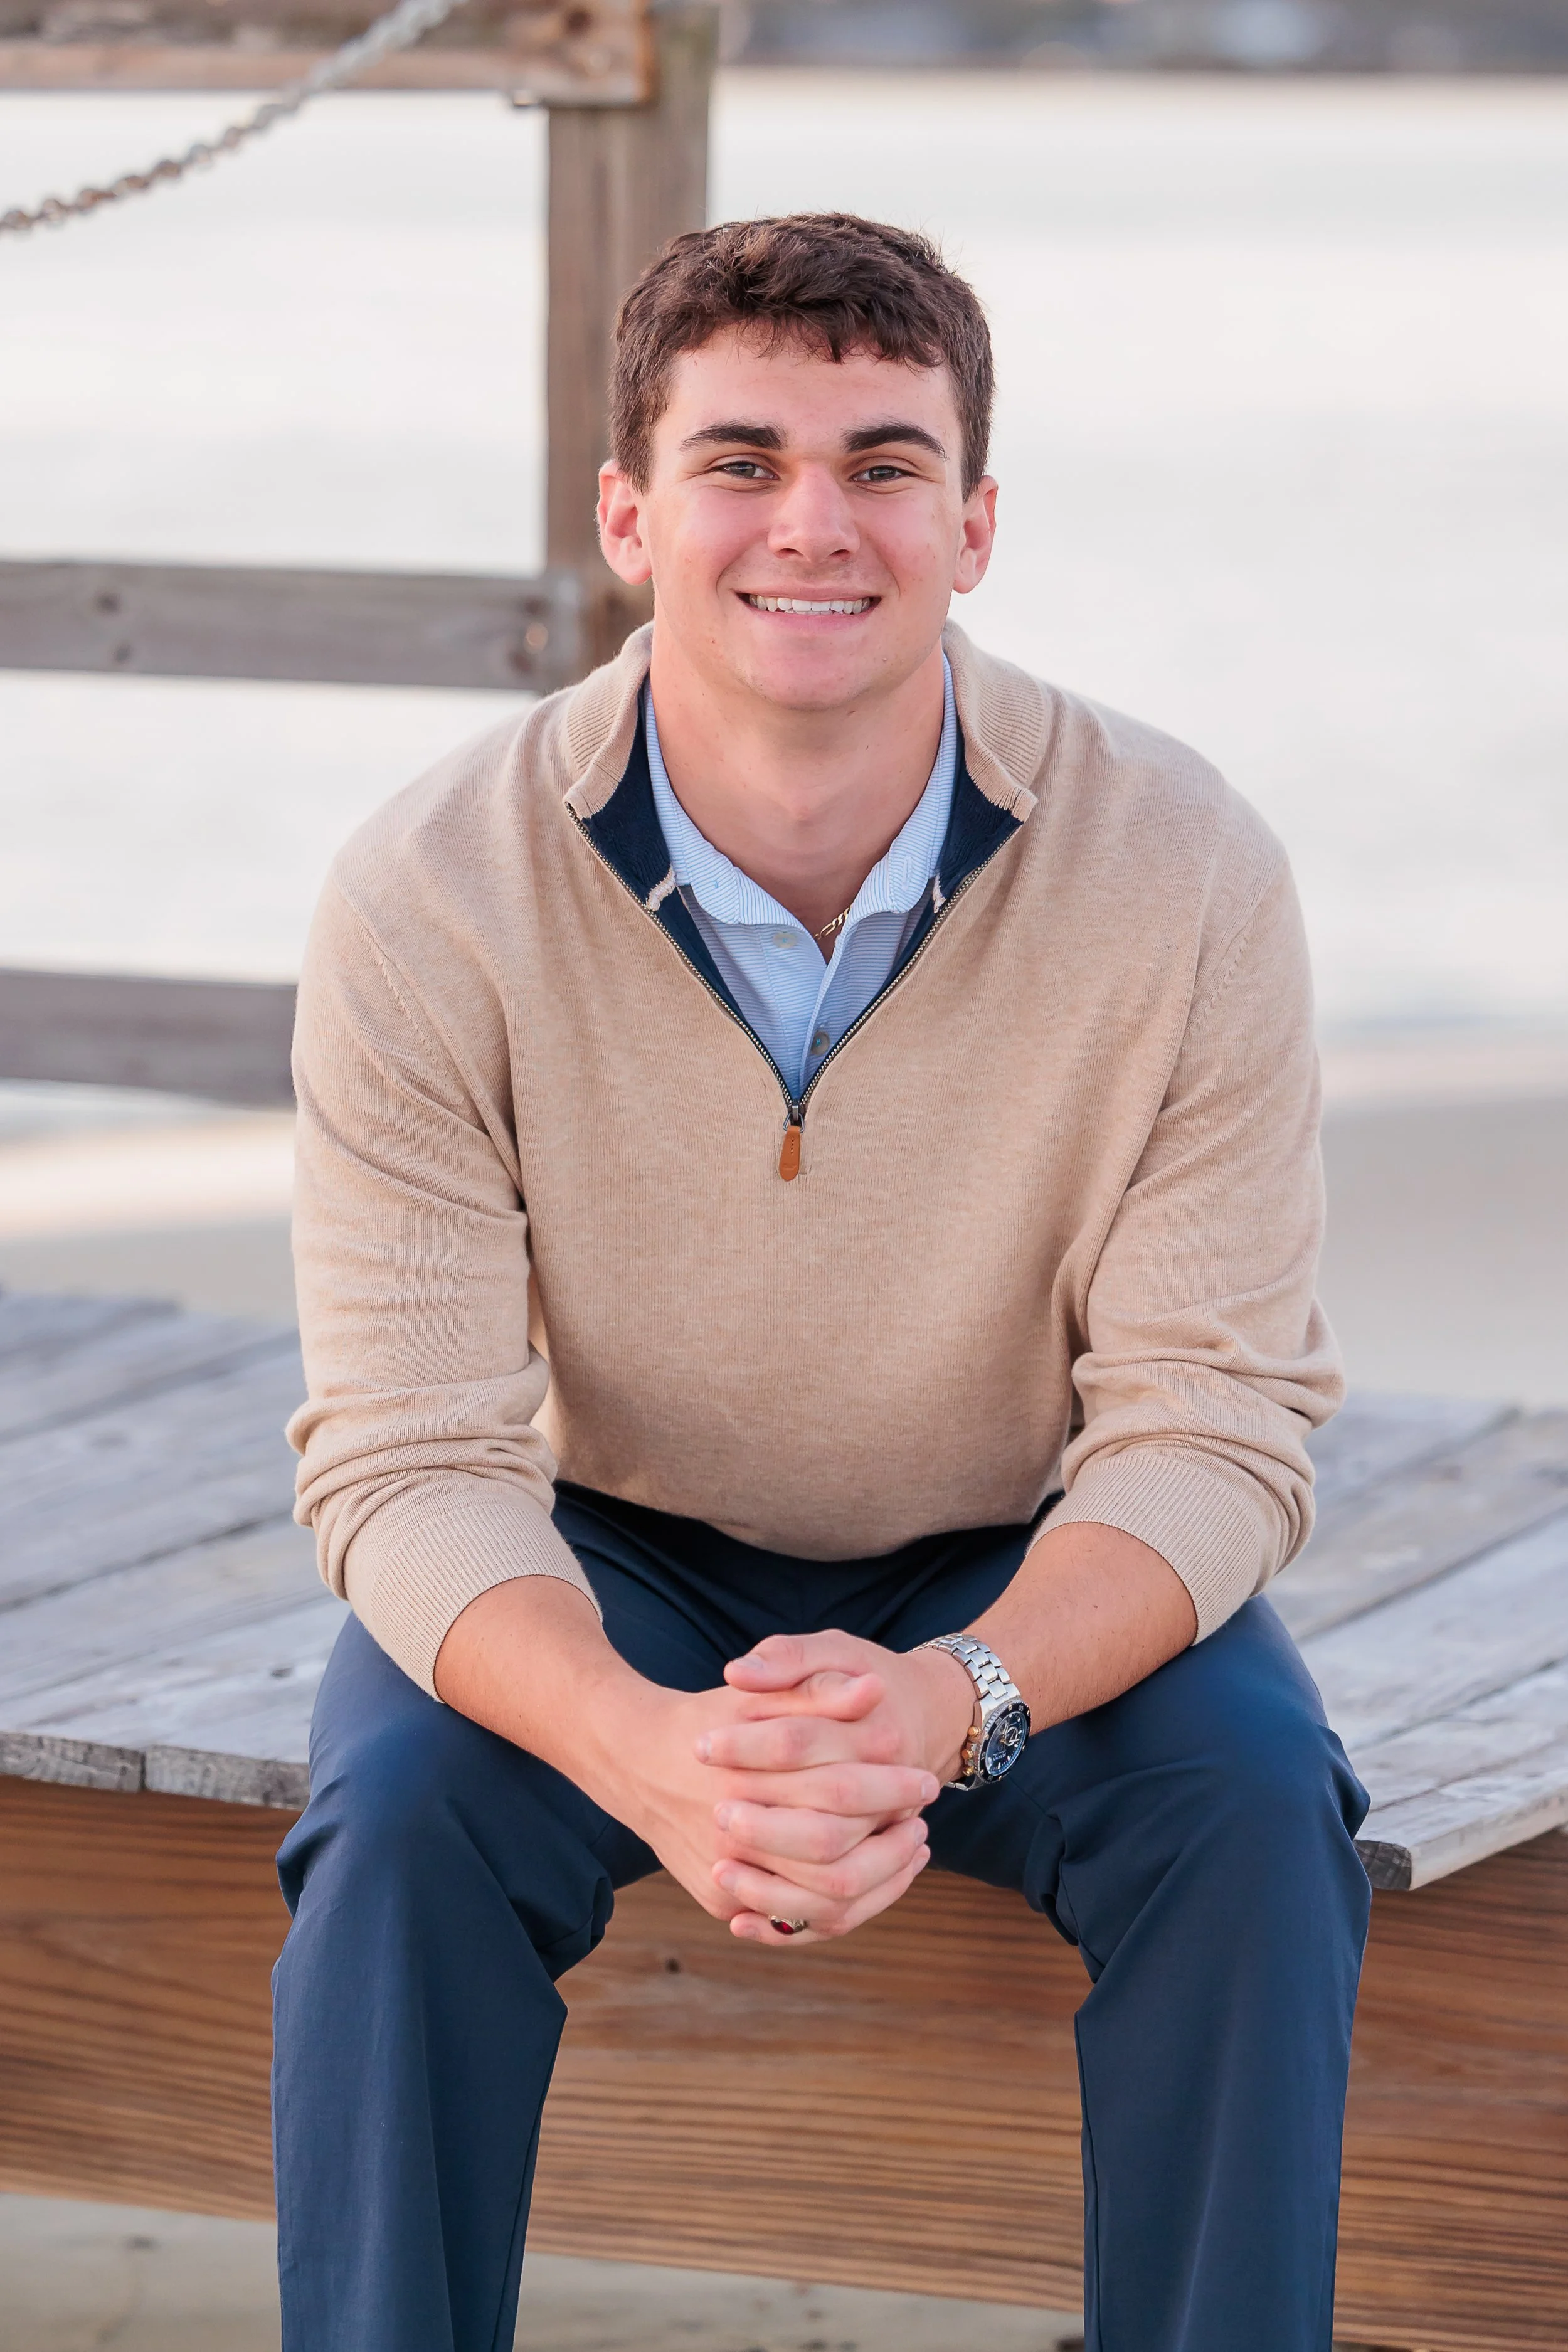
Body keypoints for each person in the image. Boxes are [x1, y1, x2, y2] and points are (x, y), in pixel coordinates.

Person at [274, 211, 1370, 2352]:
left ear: (971, 524)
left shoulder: (1186, 865)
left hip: (1024, 1552)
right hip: (609, 1551)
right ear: (626, 514)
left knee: (1254, 1814)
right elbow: (403, 1453)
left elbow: (1213, 1422)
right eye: (739, 459)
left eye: (881, 464)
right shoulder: (429, 888)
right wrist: (643, 1749)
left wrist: (964, 1693)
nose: (811, 523)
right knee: (394, 1822)